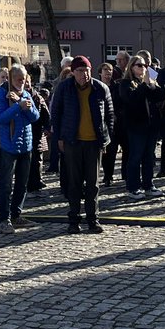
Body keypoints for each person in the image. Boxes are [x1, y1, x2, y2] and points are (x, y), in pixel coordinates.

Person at [50, 56, 114, 233]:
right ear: (73, 72)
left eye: (86, 71)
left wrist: (106, 139)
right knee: (74, 182)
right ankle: (74, 219)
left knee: (93, 184)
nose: (84, 75)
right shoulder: (64, 88)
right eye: (80, 71)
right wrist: (60, 138)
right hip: (73, 141)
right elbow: (55, 114)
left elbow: (109, 115)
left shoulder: (101, 88)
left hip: (94, 142)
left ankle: (93, 220)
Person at [0, 65, 40, 233]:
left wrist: (25, 105)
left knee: (22, 183)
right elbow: (0, 118)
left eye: (23, 79)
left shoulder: (26, 94)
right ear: (11, 79)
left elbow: (35, 117)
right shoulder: (2, 95)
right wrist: (16, 106)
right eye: (18, 79)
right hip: (8, 145)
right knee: (6, 184)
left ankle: (16, 214)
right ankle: (4, 218)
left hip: (25, 145)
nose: (21, 83)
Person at [113, 55, 164, 198]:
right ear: (132, 67)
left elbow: (160, 96)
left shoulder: (149, 81)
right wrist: (144, 85)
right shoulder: (125, 83)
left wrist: (152, 85)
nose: (143, 68)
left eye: (145, 65)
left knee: (149, 157)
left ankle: (148, 185)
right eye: (139, 65)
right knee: (135, 157)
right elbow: (131, 99)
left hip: (151, 125)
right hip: (136, 125)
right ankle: (133, 187)